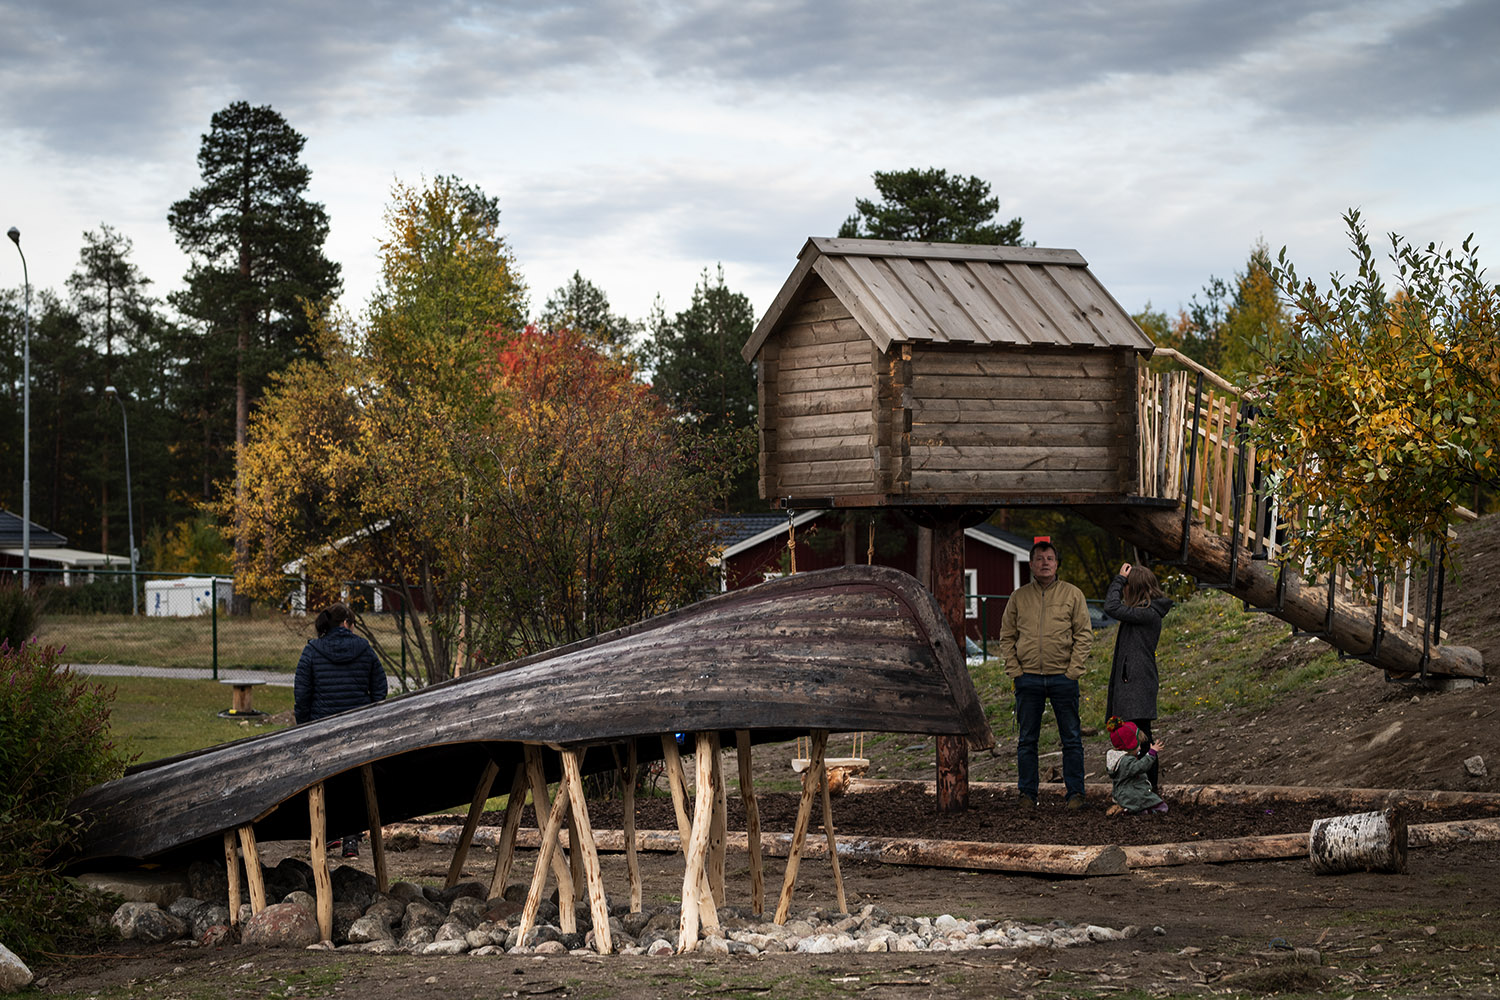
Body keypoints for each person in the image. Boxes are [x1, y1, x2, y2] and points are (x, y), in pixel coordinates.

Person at [999, 540, 1093, 810]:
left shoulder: (1073, 594)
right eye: (1039, 558)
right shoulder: (1018, 597)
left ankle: (1076, 795)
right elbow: (1006, 636)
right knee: (1027, 740)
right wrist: (1015, 670)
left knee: (1071, 739)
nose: (1045, 563)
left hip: (1063, 678)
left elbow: (1084, 635)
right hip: (1027, 678)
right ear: (1031, 564)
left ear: (1056, 563)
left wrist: (1073, 671)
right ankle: (1027, 795)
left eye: (1050, 558)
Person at [294, 603, 387, 857]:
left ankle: (327, 835)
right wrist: (368, 714)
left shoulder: (312, 651)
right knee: (356, 782)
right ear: (348, 623)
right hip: (357, 728)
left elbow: (302, 694)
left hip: (322, 729)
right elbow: (380, 688)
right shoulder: (365, 649)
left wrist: (304, 725)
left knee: (325, 782)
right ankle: (351, 841)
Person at [1103, 562, 1173, 794]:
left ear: (1134, 588)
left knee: (1141, 737)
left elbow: (1111, 607)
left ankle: (1149, 791)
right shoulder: (1144, 612)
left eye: (1126, 587)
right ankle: (1140, 789)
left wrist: (1119, 579)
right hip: (1133, 680)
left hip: (1137, 682)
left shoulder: (1147, 613)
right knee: (1135, 736)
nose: (1123, 591)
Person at [1105, 719, 1167, 814]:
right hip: (1132, 796)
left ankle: (1137, 810)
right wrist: (1151, 754)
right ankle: (1130, 810)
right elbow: (1140, 767)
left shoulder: (1118, 760)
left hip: (1124, 796)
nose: (1140, 748)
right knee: (1162, 806)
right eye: (1138, 744)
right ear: (1130, 745)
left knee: (1144, 807)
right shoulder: (1126, 762)